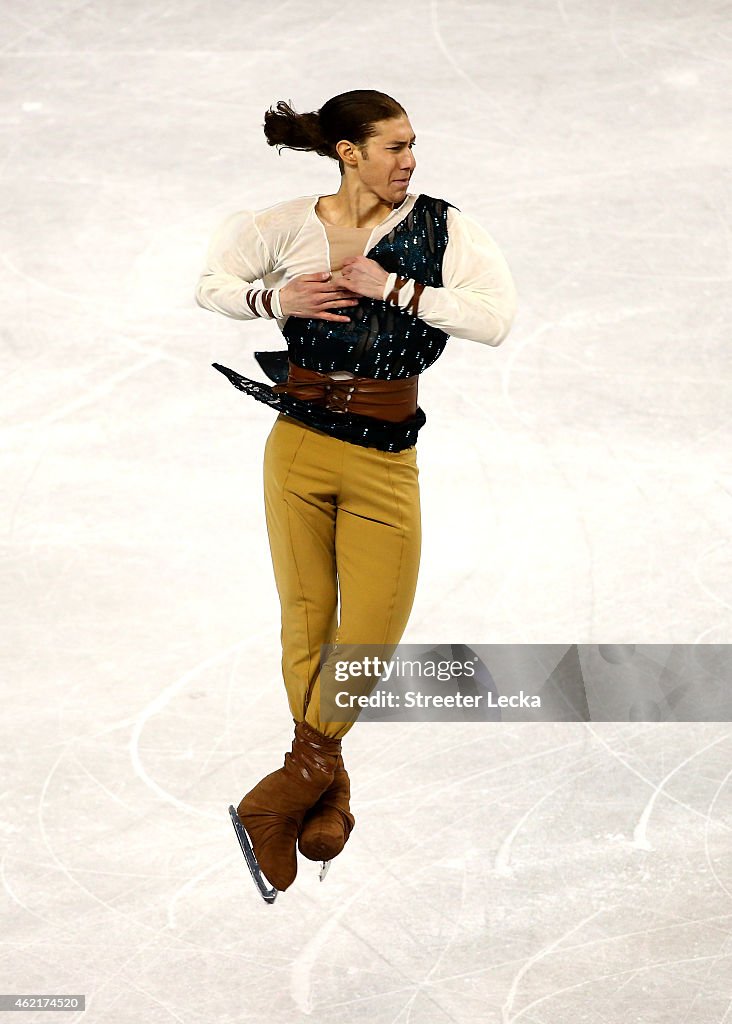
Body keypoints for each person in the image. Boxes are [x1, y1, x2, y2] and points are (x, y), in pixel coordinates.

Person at [195, 89, 517, 900]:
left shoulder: (446, 230)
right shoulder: (283, 224)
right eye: (395, 146)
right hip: (297, 443)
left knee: (369, 629)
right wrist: (275, 299)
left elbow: (494, 319)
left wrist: (395, 290)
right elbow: (212, 283)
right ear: (348, 153)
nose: (411, 160)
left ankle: (279, 795)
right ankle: (325, 782)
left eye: (413, 146)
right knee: (308, 618)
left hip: (384, 457)